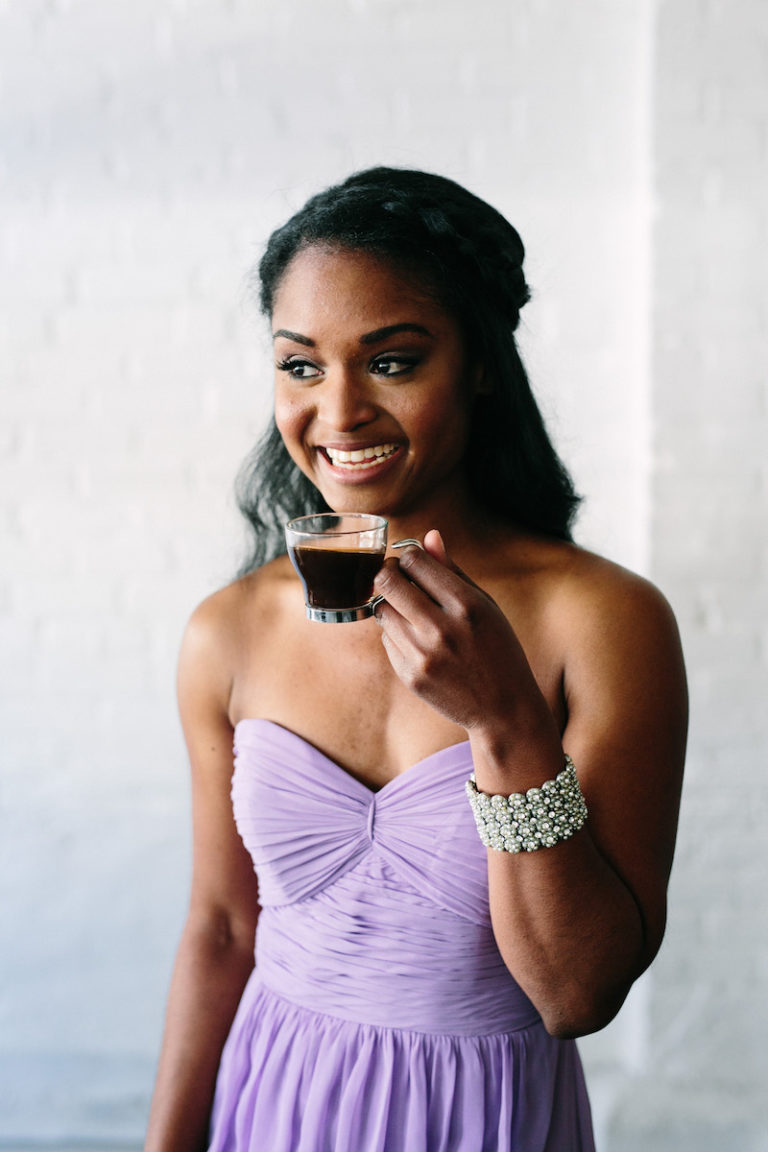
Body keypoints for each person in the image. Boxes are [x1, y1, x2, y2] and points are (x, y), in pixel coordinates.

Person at [145, 167, 688, 1152]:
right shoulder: (226, 631)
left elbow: (575, 994)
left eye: (391, 361)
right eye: (301, 365)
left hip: (482, 1119)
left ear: (480, 363)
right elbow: (224, 931)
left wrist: (505, 720)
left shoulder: (604, 621)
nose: (339, 412)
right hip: (276, 1105)